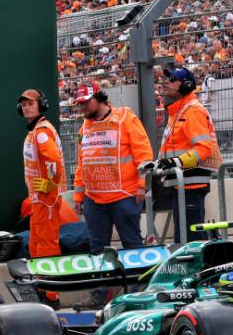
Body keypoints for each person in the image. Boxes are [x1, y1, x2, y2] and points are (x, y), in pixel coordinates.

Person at [73, 82, 153, 254]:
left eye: (86, 102)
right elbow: (82, 163)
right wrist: (79, 196)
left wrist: (142, 185)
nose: (83, 107)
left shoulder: (125, 118)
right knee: (97, 250)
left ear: (99, 98)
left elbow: (144, 154)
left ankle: (137, 281)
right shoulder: (84, 128)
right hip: (93, 200)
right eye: (80, 103)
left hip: (124, 196)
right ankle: (103, 282)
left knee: (132, 245)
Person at [156, 65, 221, 242]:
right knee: (183, 240)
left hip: (191, 185)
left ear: (185, 85)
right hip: (180, 184)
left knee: (190, 241)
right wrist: (157, 164)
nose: (167, 83)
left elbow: (203, 148)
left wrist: (176, 162)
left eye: (172, 80)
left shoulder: (192, 110)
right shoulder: (177, 112)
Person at [18, 89, 65, 305]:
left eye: (31, 103)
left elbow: (53, 159)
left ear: (40, 105)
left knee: (46, 246)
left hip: (47, 199)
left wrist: (51, 184)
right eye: (24, 104)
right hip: (39, 200)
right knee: (36, 246)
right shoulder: (35, 131)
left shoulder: (42, 131)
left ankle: (51, 295)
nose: (26, 107)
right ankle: (41, 289)